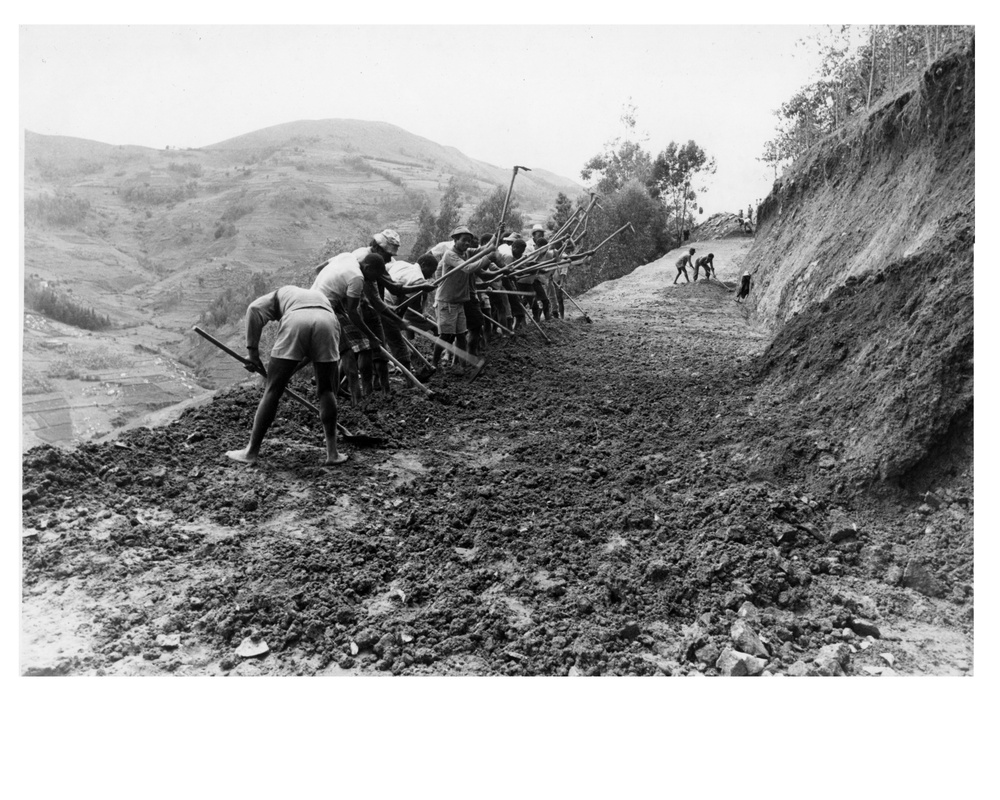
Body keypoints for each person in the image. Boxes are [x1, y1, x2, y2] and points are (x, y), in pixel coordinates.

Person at [225, 285, 347, 467]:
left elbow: (254, 310)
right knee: (327, 390)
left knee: (273, 390)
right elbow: (308, 351)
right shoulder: (314, 296)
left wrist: (253, 353)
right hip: (328, 321)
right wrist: (287, 370)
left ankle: (250, 452)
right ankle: (332, 453)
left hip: (296, 321)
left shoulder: (278, 295)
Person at [311, 252, 411, 403]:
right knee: (348, 352)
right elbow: (353, 313)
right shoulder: (357, 278)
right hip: (324, 308)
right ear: (368, 267)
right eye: (374, 276)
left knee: (359, 345)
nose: (372, 281)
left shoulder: (347, 256)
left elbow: (319, 269)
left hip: (324, 301)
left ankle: (356, 394)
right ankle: (358, 401)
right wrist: (371, 336)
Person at [432, 225, 496, 370]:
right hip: (446, 301)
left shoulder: (466, 253)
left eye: (469, 241)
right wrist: (487, 258)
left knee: (461, 335)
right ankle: (433, 364)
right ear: (455, 240)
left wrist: (498, 233)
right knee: (446, 336)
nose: (467, 244)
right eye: (464, 240)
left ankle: (461, 366)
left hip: (460, 301)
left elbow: (484, 249)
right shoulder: (450, 255)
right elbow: (467, 268)